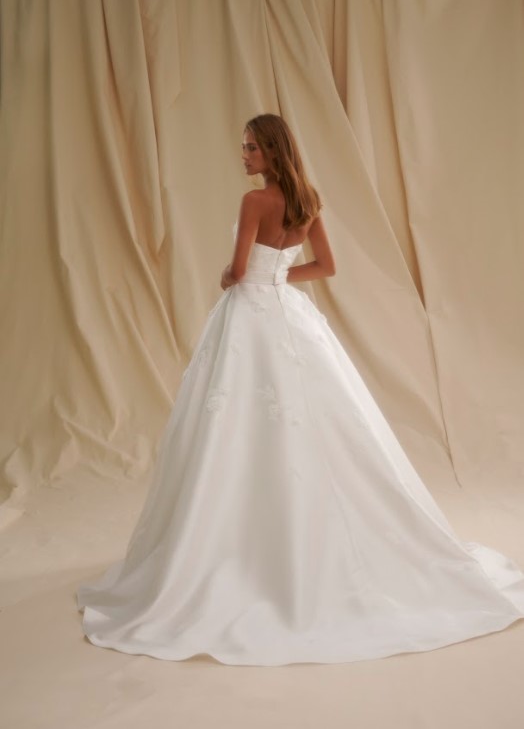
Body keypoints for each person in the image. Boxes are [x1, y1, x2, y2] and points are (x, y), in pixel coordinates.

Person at [77, 113, 524, 666]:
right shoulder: (307, 199)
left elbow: (238, 271)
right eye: (243, 147)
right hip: (290, 314)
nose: (244, 155)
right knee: (314, 421)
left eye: (251, 148)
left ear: (271, 150)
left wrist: (230, 275)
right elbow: (325, 267)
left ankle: (229, 547)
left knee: (233, 427)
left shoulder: (254, 201)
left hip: (250, 317)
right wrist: (280, 277)